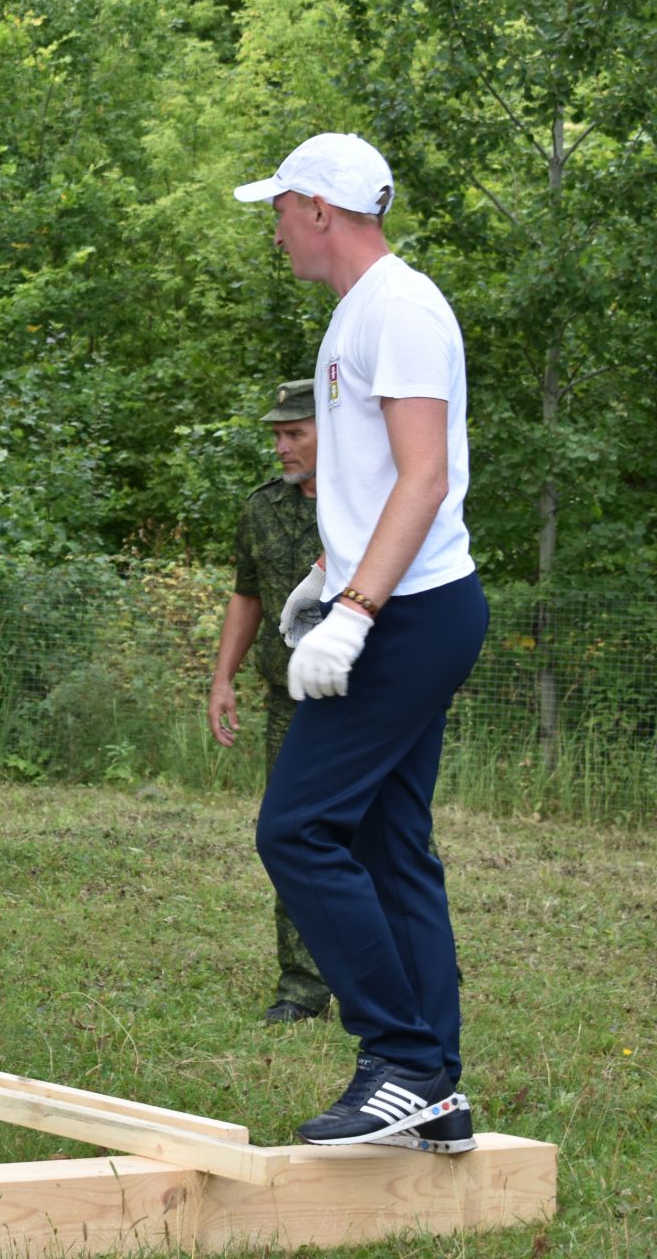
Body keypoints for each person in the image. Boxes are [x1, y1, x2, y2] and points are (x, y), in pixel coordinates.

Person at [234, 133, 486, 1153]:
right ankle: (436, 1093)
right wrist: (329, 578)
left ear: (320, 210)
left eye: (281, 209)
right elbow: (380, 483)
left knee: (294, 829)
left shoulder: (402, 308)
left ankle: (402, 1057)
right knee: (390, 848)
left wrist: (359, 611)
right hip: (392, 602)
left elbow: (424, 478)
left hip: (413, 615)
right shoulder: (358, 314)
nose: (277, 227)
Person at [206, 380, 331, 1024]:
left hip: (368, 700)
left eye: (295, 433)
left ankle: (414, 971)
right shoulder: (261, 509)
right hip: (290, 702)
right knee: (290, 835)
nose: (282, 446)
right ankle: (304, 991)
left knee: (393, 839)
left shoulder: (370, 504)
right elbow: (247, 595)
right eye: (277, 435)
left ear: (333, 430)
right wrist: (223, 677)